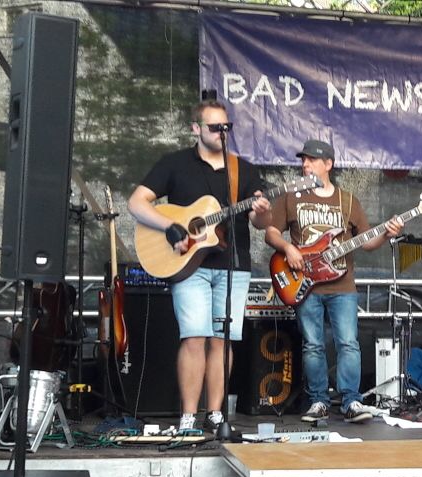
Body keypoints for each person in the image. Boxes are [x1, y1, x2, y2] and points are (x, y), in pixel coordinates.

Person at [128, 100, 271, 433]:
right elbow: (136, 202)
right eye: (214, 127)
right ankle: (189, 416)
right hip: (189, 265)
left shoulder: (243, 170)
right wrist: (169, 226)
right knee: (194, 336)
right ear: (196, 128)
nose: (222, 132)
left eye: (226, 127)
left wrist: (262, 211)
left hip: (233, 265)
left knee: (223, 339)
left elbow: (260, 223)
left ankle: (216, 413)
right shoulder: (175, 163)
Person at [265, 139, 404, 423]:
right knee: (312, 345)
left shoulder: (348, 200)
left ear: (328, 164)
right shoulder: (292, 197)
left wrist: (387, 233)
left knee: (348, 343)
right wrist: (288, 248)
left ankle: (351, 401)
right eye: (303, 159)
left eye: (311, 159)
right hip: (304, 284)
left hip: (342, 286)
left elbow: (367, 242)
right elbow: (270, 233)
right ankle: (318, 401)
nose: (305, 164)